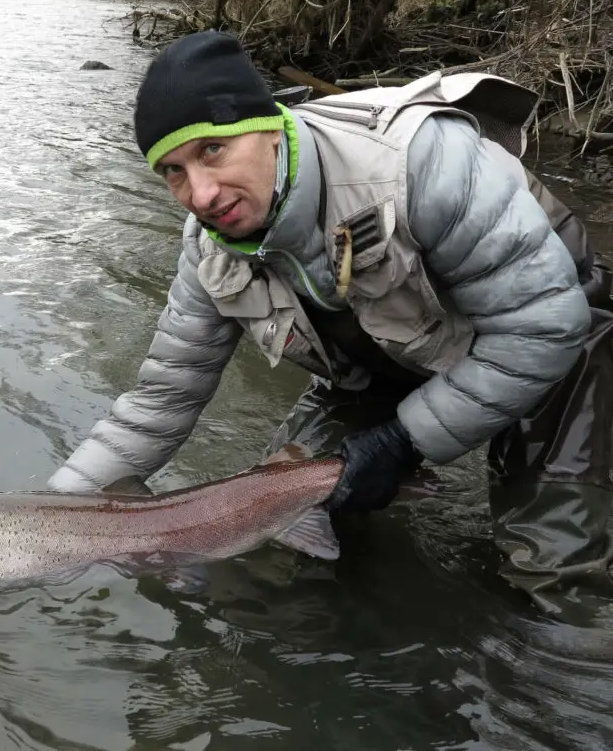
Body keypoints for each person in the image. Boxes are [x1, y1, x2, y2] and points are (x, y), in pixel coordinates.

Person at [47, 30, 613, 625]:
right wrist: (50, 522)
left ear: (267, 124)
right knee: (275, 526)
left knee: (556, 585)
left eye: (212, 151)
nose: (202, 194)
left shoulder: (422, 163)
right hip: (389, 359)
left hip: (555, 341)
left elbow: (544, 326)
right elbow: (162, 397)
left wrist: (403, 442)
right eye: (173, 172)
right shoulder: (208, 253)